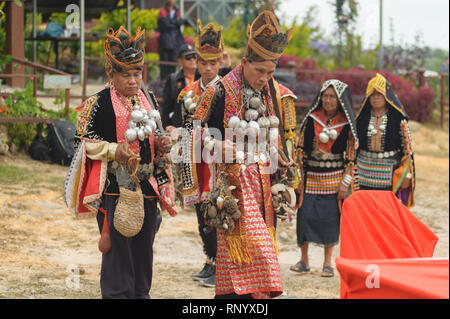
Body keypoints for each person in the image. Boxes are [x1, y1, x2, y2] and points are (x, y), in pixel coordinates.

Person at [64, 26, 177, 299]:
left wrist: (162, 142)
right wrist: (115, 151)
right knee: (118, 252)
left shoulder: (148, 98)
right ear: (110, 74)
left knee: (143, 250)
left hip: (147, 188)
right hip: (114, 189)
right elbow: (81, 143)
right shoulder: (98, 103)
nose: (132, 80)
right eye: (125, 74)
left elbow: (157, 131)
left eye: (137, 73)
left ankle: (141, 294)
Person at [189, 10, 295, 299]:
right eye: (259, 71)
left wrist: (279, 155)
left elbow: (271, 132)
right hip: (233, 187)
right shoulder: (219, 90)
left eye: (270, 73)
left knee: (247, 258)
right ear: (244, 62)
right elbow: (193, 131)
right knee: (254, 252)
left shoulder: (268, 91)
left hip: (263, 184)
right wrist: (214, 144)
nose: (264, 78)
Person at [175, 20, 227, 289]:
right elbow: (183, 126)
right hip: (194, 161)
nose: (207, 68)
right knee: (200, 211)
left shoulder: (227, 91)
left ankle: (221, 264)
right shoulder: (187, 93)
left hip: (217, 162)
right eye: (202, 62)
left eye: (213, 62)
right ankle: (210, 260)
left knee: (217, 210)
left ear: (220, 62)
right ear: (196, 62)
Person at [290, 79, 358, 278]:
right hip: (310, 178)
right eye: (325, 96)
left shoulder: (346, 124)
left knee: (330, 220)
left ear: (340, 100)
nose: (328, 100)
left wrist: (346, 182)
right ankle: (304, 260)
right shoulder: (312, 118)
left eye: (332, 97)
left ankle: (328, 263)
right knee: (304, 217)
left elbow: (352, 157)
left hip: (334, 179)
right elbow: (300, 149)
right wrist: (299, 177)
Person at [355, 73, 415, 208]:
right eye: (372, 94)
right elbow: (353, 147)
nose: (375, 98)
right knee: (366, 211)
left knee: (386, 211)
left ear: (386, 96)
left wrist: (407, 174)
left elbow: (408, 150)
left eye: (379, 94)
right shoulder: (361, 119)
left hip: (389, 173)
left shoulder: (398, 119)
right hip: (363, 173)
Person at [161, 44, 197, 129]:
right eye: (188, 57)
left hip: (200, 126)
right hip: (179, 127)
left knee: (199, 142)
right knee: (184, 142)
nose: (192, 60)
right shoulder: (173, 79)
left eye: (195, 57)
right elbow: (166, 106)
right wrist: (167, 126)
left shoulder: (203, 77)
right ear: (180, 61)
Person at [157, 0, 186, 80]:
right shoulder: (162, 11)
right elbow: (165, 25)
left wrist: (172, 22)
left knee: (173, 65)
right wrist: (176, 22)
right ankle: (163, 83)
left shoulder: (177, 11)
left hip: (175, 43)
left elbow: (181, 22)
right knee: (164, 65)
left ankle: (171, 82)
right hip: (165, 43)